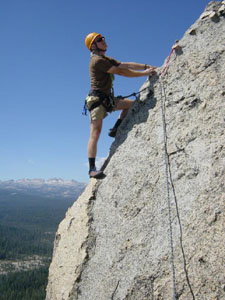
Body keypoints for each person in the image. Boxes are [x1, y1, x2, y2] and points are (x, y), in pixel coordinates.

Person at [85, 32, 156, 179]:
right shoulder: (97, 61)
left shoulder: (105, 58)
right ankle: (92, 169)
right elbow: (121, 72)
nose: (104, 40)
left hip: (108, 100)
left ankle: (116, 129)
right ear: (93, 46)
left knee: (132, 105)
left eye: (103, 38)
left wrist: (145, 66)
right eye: (99, 40)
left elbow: (124, 64)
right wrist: (144, 73)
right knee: (96, 132)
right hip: (97, 100)